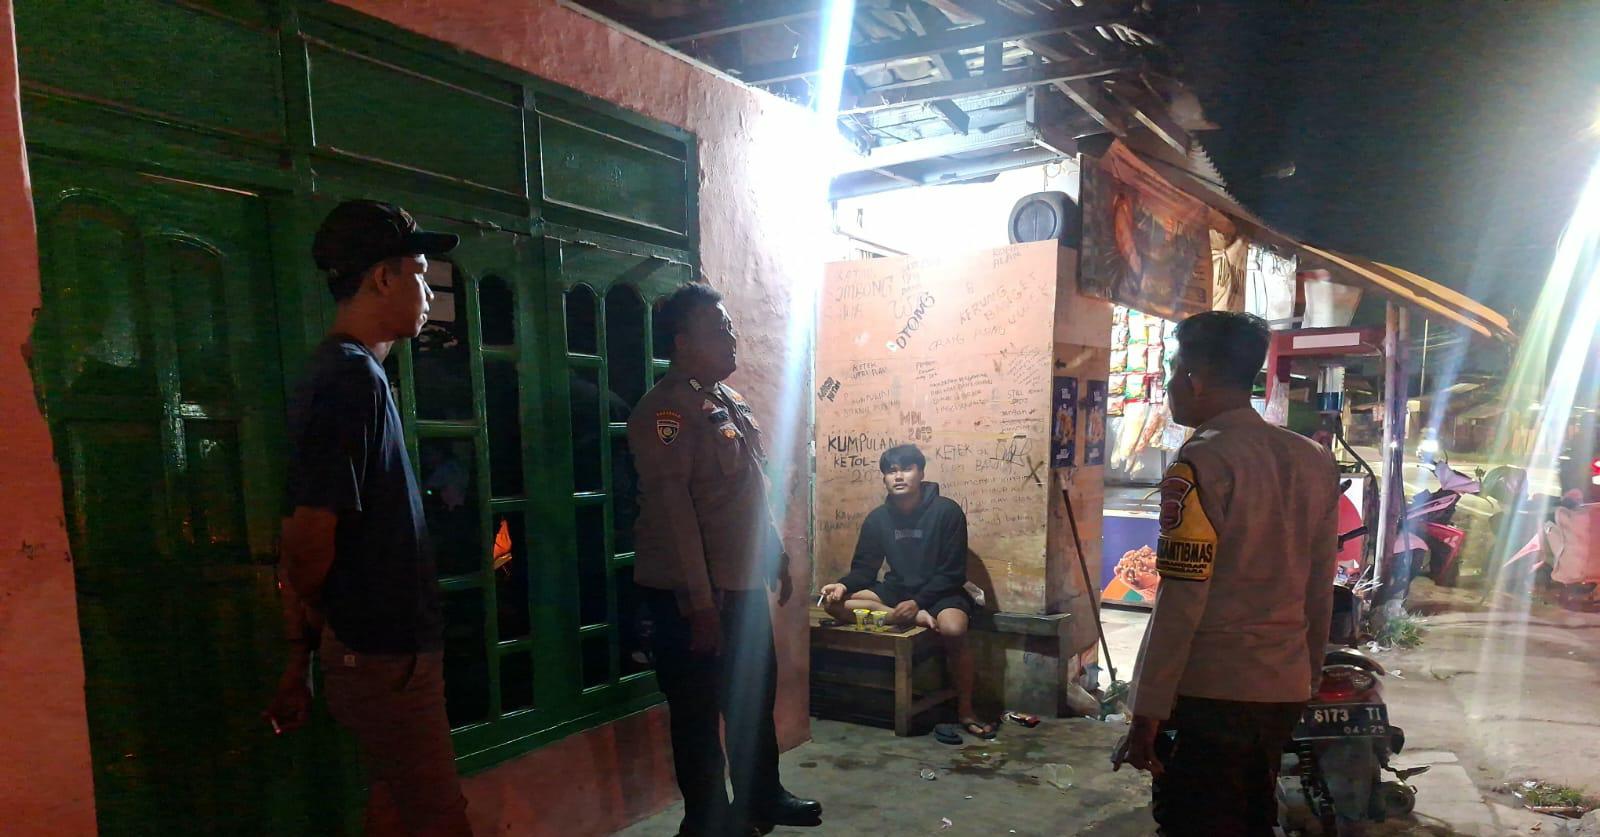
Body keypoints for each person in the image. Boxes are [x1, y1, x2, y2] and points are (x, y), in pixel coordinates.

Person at [265, 200, 473, 837]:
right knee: (437, 819)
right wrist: (322, 625)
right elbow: (308, 535)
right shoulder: (349, 380)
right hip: (382, 651)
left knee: (394, 808)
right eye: (419, 274)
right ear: (382, 277)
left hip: (380, 648)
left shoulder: (353, 375)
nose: (427, 294)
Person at [1112, 311, 1340, 837]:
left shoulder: (1203, 461)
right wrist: (1306, 676)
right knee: (1254, 815)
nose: (1170, 385)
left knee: (1195, 820)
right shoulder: (1311, 458)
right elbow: (1319, 585)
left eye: (1174, 370)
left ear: (1196, 377)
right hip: (1281, 687)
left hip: (1214, 692)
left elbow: (1181, 599)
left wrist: (1147, 709)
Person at [629, 283, 821, 837]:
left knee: (753, 696)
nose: (732, 337)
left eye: (730, 326)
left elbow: (749, 491)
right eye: (718, 329)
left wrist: (774, 551)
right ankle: (708, 820)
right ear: (683, 342)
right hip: (693, 595)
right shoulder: (665, 411)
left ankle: (762, 796)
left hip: (739, 584)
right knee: (696, 710)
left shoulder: (726, 401)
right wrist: (698, 602)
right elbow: (674, 513)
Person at [819, 444, 989, 737]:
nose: (898, 477)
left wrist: (919, 601)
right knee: (832, 604)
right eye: (891, 471)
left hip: (940, 590)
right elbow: (865, 570)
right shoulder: (878, 518)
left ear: (921, 473)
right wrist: (842, 584)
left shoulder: (947, 511)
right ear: (884, 478)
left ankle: (965, 709)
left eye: (906, 469)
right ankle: (904, 617)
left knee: (953, 629)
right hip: (898, 589)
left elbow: (952, 573)